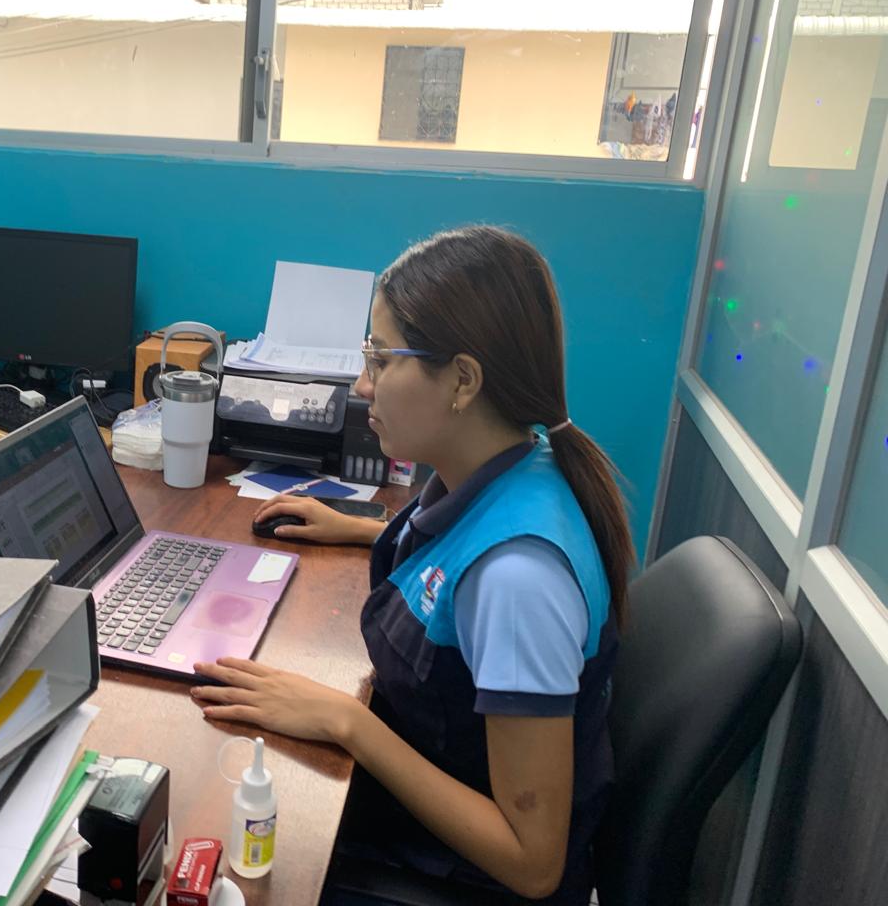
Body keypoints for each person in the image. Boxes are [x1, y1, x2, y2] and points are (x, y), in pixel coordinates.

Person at [190, 226, 633, 905]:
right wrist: (362, 530)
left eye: (380, 359)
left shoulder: (518, 582)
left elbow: (532, 862)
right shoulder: (520, 461)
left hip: (464, 881)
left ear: (463, 381)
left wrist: (348, 722)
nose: (362, 386)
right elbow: (460, 560)